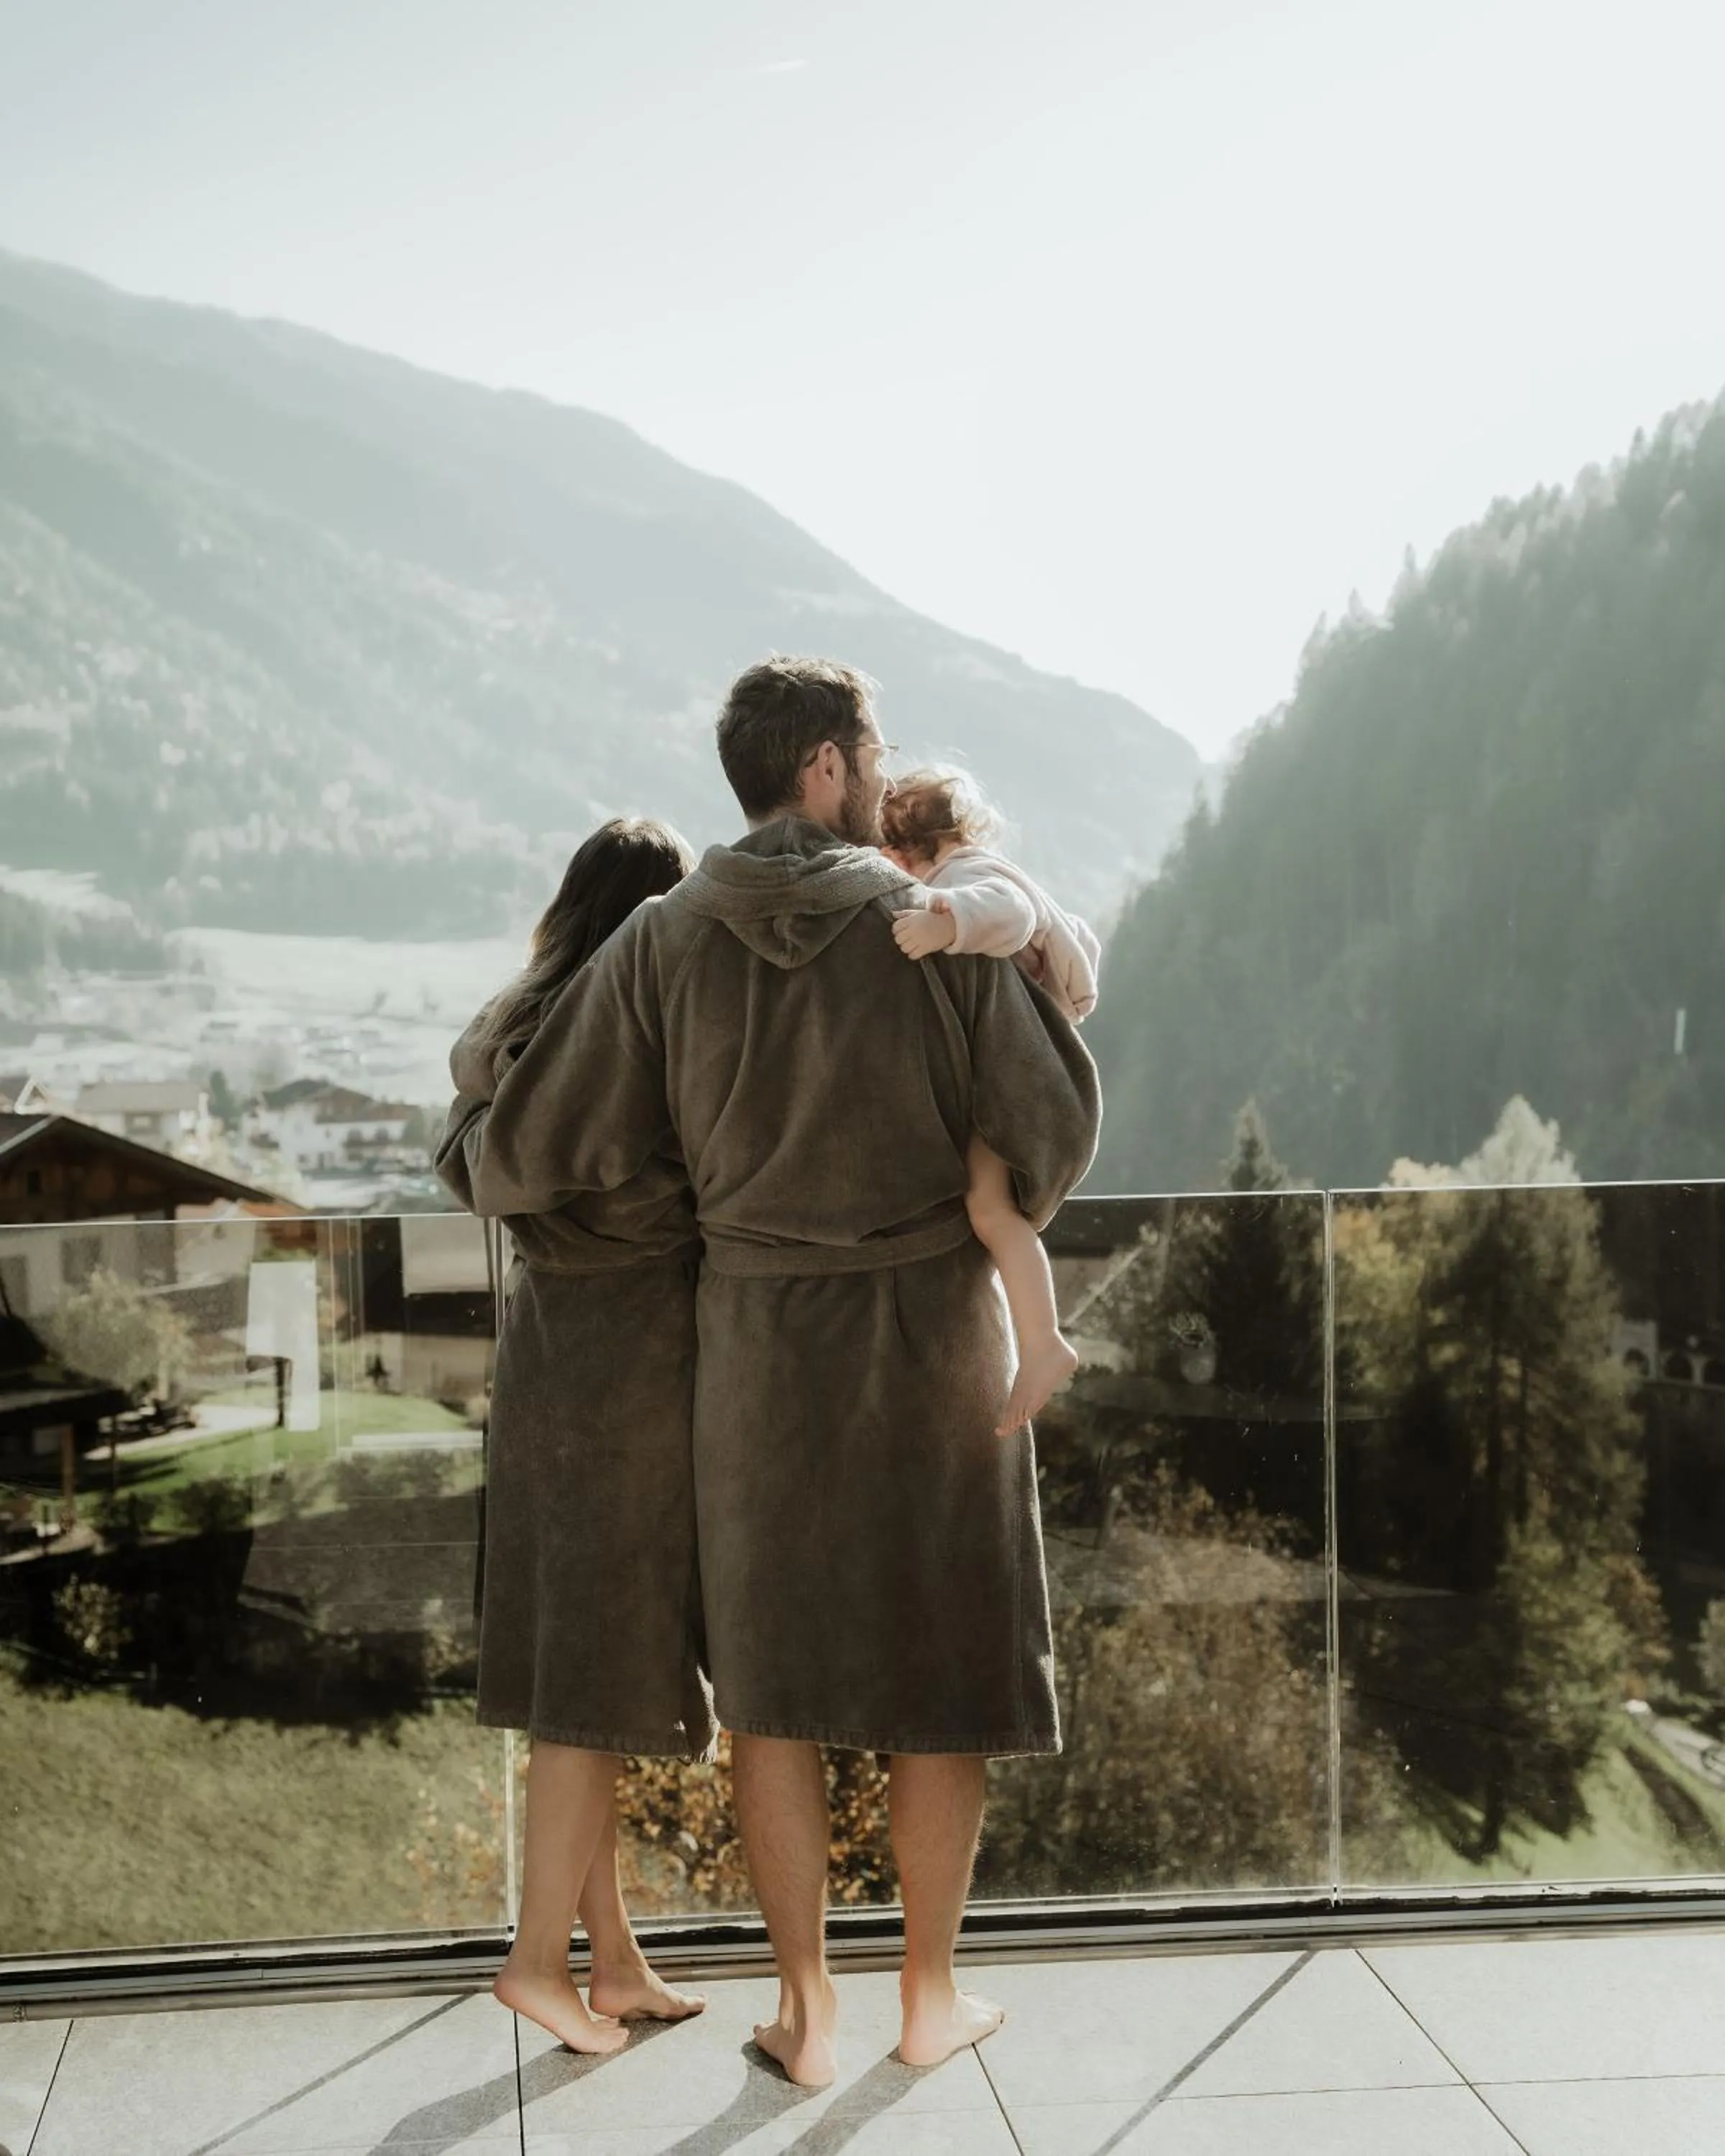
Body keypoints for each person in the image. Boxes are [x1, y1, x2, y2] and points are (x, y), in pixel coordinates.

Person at [445, 657, 1100, 2088]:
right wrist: (983, 1198)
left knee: (776, 1690)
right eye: (871, 746)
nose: (882, 768)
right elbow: (1049, 1123)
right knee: (945, 1680)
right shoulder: (935, 930)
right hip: (937, 1338)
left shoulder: (663, 943)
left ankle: (806, 2014)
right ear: (825, 763)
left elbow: (533, 1147)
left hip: (751, 1349)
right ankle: (928, 2000)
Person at [437, 816, 713, 2058]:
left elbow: (473, 1162)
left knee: (579, 1671)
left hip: (546, 1357)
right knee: (596, 1684)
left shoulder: (519, 1029)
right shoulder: (640, 1035)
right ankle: (536, 1962)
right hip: (631, 1372)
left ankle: (615, 1961)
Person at [881, 767, 1103, 1435]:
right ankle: (1039, 1342)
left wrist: (947, 929)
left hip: (1019, 1080)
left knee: (990, 1210)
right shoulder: (964, 869)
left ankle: (1041, 1343)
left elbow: (1013, 916)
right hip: (1015, 1075)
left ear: (901, 851)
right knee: (991, 1210)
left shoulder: (966, 875)